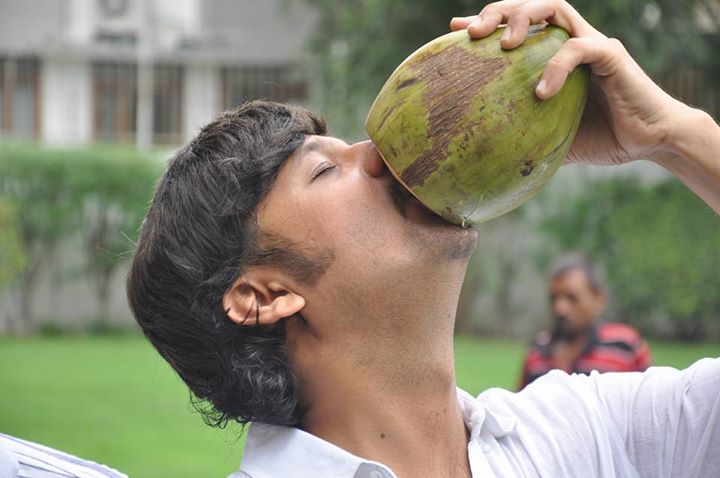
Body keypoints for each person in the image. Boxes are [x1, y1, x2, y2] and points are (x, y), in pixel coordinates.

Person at [126, 0, 720, 476]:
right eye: (326, 170)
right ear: (262, 294)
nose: (381, 154)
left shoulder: (585, 436)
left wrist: (676, 137)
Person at [518, 253, 651, 389]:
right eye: (554, 298)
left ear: (599, 299)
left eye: (572, 298)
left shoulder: (624, 346)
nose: (560, 309)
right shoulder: (537, 350)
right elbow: (520, 407)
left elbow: (649, 403)